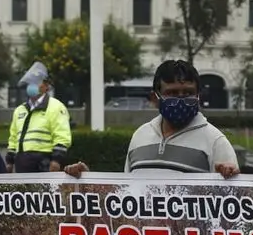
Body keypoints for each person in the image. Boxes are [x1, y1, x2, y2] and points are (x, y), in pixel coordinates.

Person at [64, 60, 239, 178]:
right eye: (171, 93)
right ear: (155, 98)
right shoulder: (140, 136)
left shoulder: (215, 141)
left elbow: (231, 201)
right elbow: (127, 193)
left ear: (198, 96)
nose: (180, 99)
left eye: (188, 93)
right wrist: (88, 181)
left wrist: (230, 176)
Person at [6, 61, 72, 173]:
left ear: (46, 86)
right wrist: (9, 161)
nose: (32, 86)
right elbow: (13, 138)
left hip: (44, 163)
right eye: (30, 83)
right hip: (22, 163)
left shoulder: (56, 107)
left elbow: (62, 136)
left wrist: (56, 160)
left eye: (36, 82)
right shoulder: (20, 110)